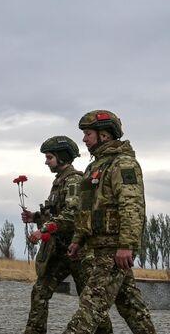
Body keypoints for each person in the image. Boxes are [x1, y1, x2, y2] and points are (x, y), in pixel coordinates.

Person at [63, 110, 156, 334]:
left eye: (88, 134)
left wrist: (126, 245)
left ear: (104, 135)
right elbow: (85, 208)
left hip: (114, 248)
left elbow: (132, 205)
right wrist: (78, 239)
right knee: (132, 307)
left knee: (89, 308)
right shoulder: (95, 167)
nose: (84, 139)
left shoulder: (122, 164)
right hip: (99, 246)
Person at [21, 136, 112, 334]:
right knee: (40, 292)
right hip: (59, 251)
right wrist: (35, 217)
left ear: (62, 158)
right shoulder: (60, 181)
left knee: (91, 302)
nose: (46, 161)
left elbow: (71, 215)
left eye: (50, 157)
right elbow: (57, 212)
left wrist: (43, 230)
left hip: (78, 252)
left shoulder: (73, 181)